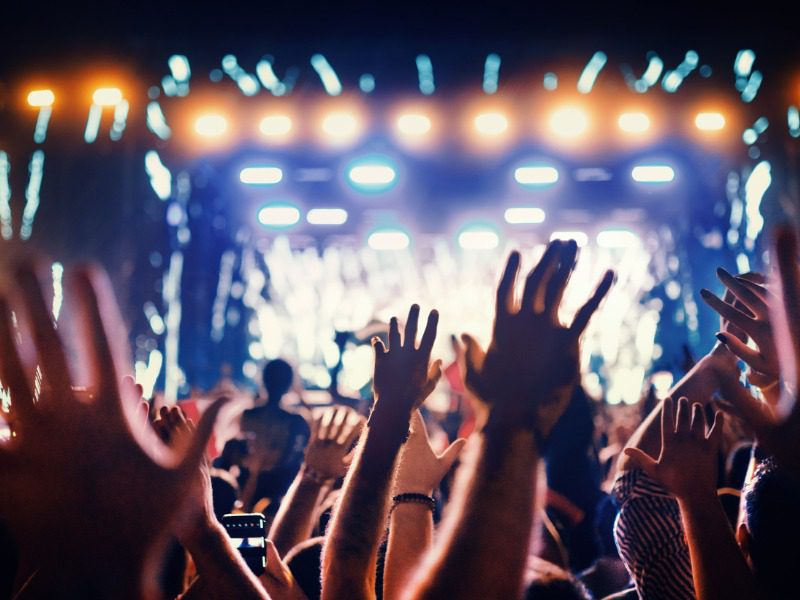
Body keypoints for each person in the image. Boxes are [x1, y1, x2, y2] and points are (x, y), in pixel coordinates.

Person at [238, 359, 311, 511]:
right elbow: (298, 459)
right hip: (280, 491)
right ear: (289, 384)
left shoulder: (248, 415)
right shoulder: (297, 421)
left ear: (264, 380)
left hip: (248, 489)